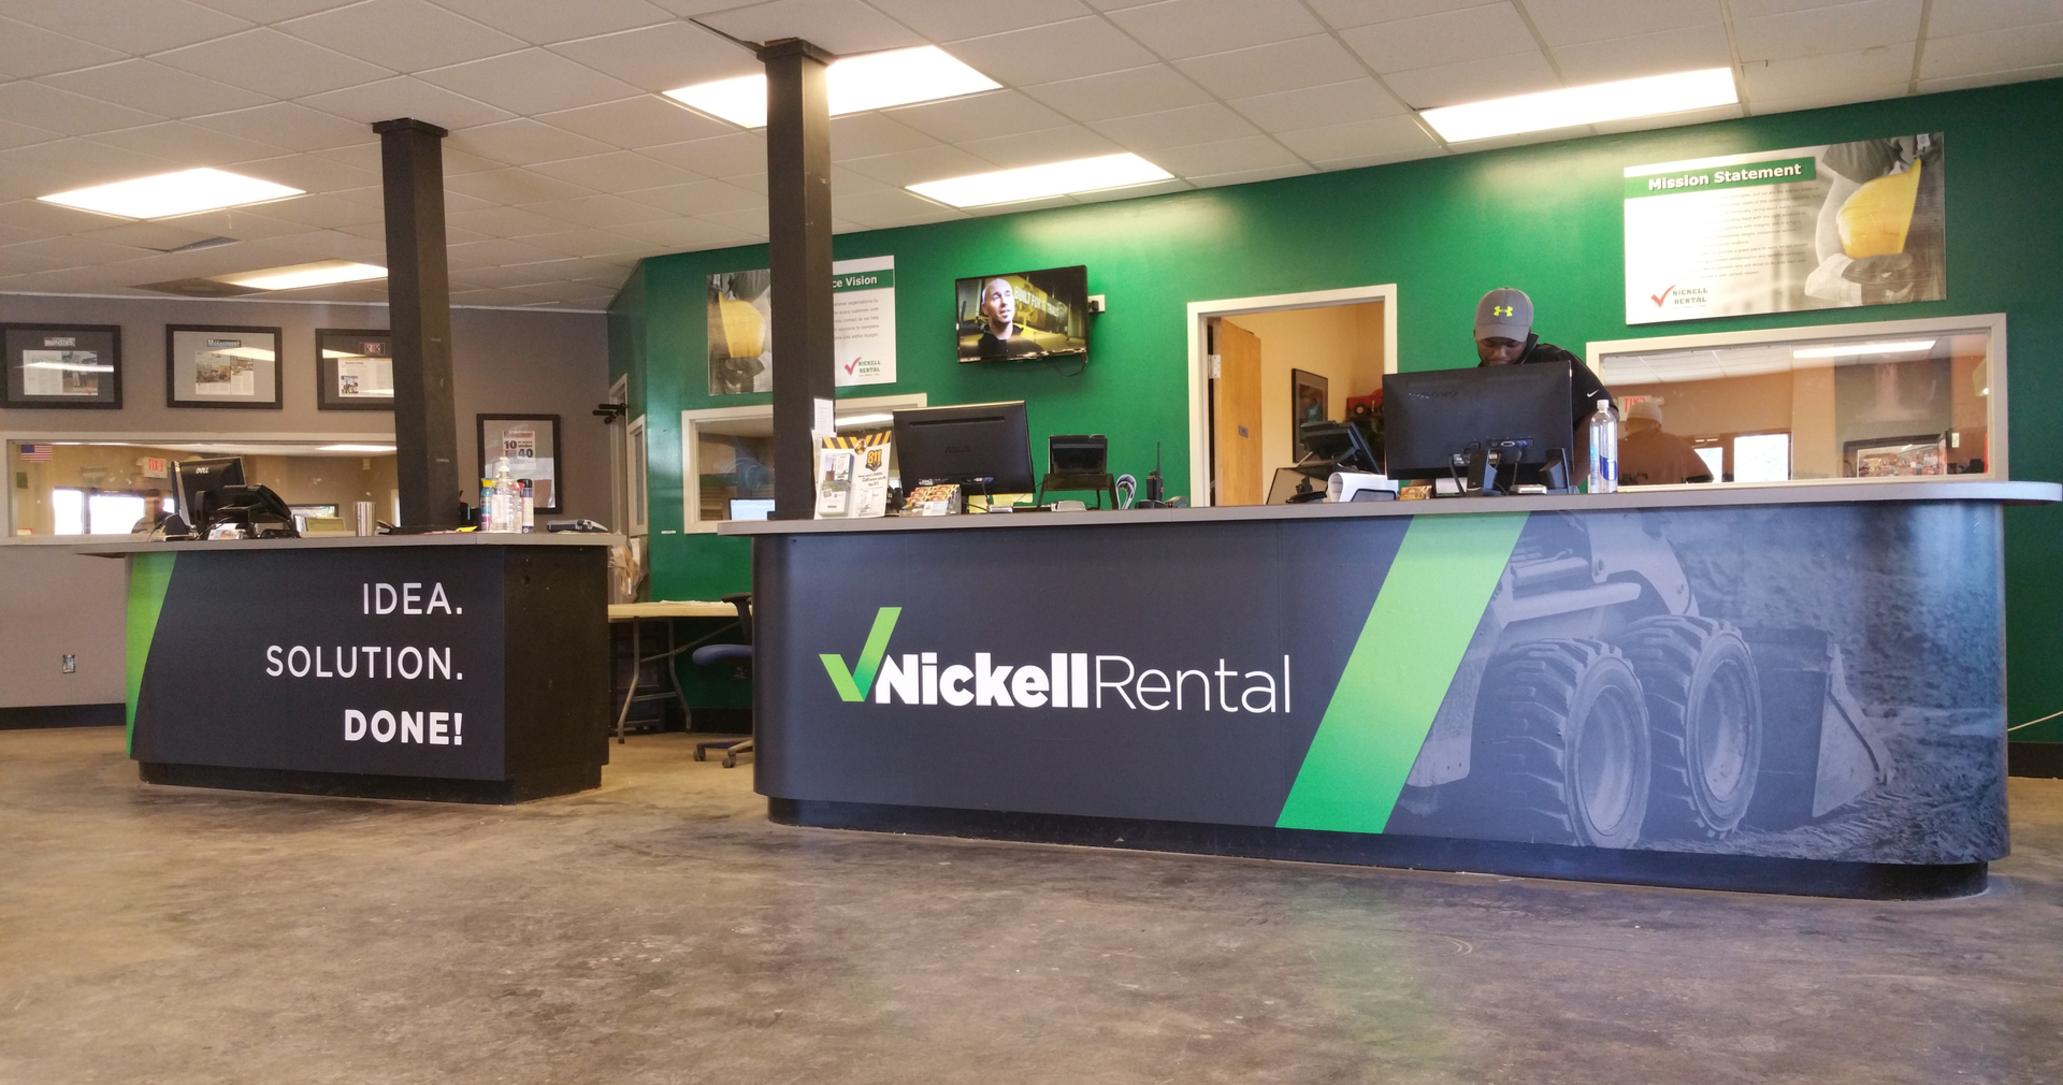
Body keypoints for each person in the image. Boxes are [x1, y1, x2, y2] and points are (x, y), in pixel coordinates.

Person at [1473, 286, 1613, 433]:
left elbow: (1603, 411)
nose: (1499, 354)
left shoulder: (1555, 361)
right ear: (1475, 335)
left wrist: (1577, 450)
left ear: (1527, 336)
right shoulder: (1473, 383)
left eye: (1511, 344)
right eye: (1489, 343)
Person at [1618, 398, 1714, 485]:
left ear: (1626, 426)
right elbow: (1704, 478)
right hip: (1671, 499)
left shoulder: (1616, 449)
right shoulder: (1677, 445)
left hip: (1627, 499)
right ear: (1658, 426)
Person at [974, 277, 1043, 360]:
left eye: (1008, 295)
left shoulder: (1035, 350)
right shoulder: (971, 353)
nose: (1004, 302)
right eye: (996, 297)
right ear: (984, 308)